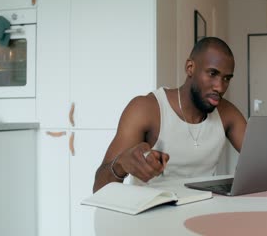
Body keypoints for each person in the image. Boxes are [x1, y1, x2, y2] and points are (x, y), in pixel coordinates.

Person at [93, 37, 246, 193]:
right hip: (152, 213)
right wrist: (120, 165)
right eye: (212, 73)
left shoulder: (227, 113)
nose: (220, 87)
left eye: (226, 78)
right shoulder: (146, 109)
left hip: (201, 211)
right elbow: (99, 189)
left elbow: (263, 159)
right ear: (190, 67)